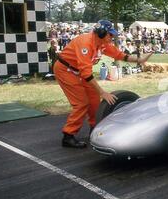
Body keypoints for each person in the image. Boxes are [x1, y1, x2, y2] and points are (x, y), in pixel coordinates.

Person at [54, 20, 153, 149]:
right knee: (82, 103)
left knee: (94, 100)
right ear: (101, 33)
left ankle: (95, 128)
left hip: (78, 71)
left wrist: (139, 60)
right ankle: (68, 136)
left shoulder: (102, 44)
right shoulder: (85, 43)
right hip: (65, 70)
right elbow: (86, 72)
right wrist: (102, 92)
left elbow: (119, 55)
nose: (112, 37)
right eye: (110, 35)